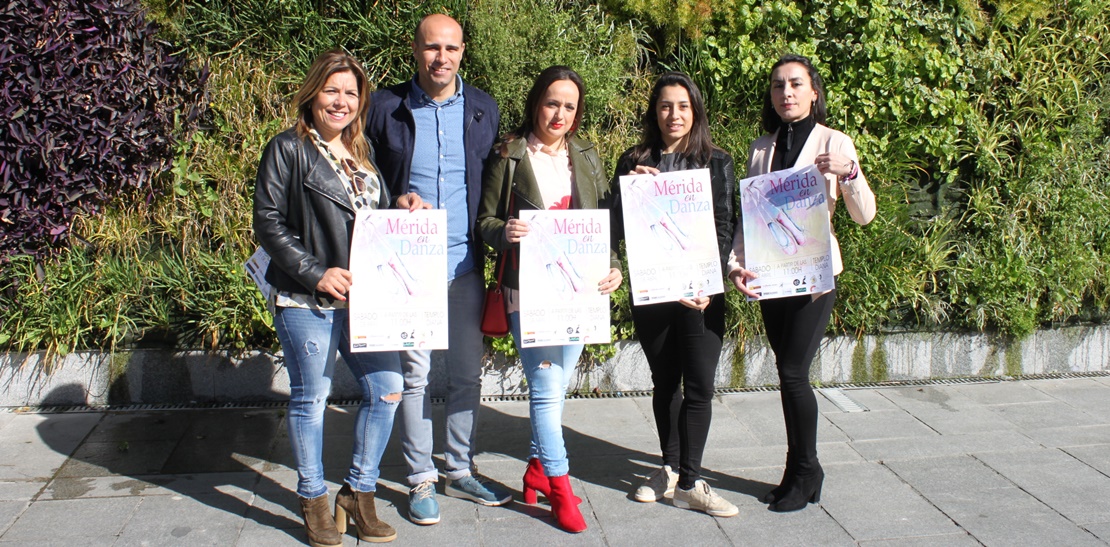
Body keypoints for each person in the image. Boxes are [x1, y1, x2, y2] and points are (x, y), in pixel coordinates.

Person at [254, 50, 425, 546]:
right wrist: (314, 272)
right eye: (332, 90)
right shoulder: (288, 149)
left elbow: (369, 217)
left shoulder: (363, 151)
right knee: (312, 398)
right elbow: (268, 221)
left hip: (368, 300)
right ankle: (313, 500)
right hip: (308, 299)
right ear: (312, 94)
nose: (341, 101)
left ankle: (358, 492)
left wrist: (402, 204)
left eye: (351, 93)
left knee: (389, 387)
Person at [364, 13, 510, 525]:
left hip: (465, 264)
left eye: (449, 48)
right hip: (410, 266)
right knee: (415, 376)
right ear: (415, 50)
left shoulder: (483, 109)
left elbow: (497, 182)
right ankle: (420, 477)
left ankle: (459, 467)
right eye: (431, 48)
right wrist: (392, 200)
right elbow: (363, 174)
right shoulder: (385, 108)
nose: (440, 58)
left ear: (463, 51)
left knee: (468, 375)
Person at [476, 66, 623, 533]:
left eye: (569, 106)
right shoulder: (510, 154)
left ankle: (537, 471)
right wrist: (507, 232)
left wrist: (614, 265)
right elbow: (483, 223)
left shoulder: (586, 154)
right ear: (536, 101)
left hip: (580, 291)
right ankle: (560, 488)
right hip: (529, 291)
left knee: (558, 388)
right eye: (552, 102)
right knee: (544, 391)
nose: (559, 114)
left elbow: (604, 219)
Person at [728, 54, 876, 512]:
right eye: (777, 86)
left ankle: (808, 469)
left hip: (814, 279)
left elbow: (864, 214)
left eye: (795, 84)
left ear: (814, 91)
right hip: (772, 278)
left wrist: (849, 174)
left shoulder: (835, 142)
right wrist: (736, 264)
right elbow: (748, 218)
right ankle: (797, 471)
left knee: (793, 373)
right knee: (787, 376)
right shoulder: (760, 148)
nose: (786, 93)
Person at [610, 72, 739, 517]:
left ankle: (691, 479)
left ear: (695, 110)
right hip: (654, 292)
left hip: (702, 294)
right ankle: (668, 466)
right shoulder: (634, 159)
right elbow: (616, 227)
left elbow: (725, 226)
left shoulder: (717, 161)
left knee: (700, 384)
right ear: (655, 111)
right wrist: (632, 189)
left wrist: (707, 281)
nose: (674, 114)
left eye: (683, 106)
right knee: (665, 382)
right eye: (666, 106)